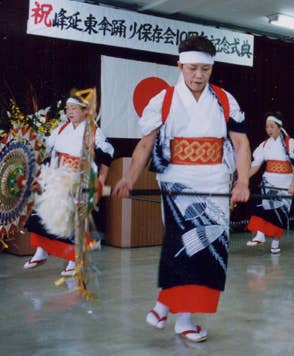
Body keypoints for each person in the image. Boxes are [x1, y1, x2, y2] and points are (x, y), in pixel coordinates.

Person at [113, 35, 250, 343]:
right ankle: (180, 319)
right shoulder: (162, 100)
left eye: (204, 69)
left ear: (212, 68)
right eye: (191, 69)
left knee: (207, 249)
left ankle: (166, 308)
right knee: (185, 243)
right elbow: (145, 144)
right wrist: (130, 178)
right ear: (180, 65)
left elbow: (241, 144)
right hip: (176, 182)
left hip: (215, 181)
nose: (198, 76)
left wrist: (242, 181)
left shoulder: (226, 100)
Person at [24, 96, 113, 277]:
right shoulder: (61, 129)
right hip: (58, 177)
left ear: (84, 111)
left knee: (73, 221)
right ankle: (41, 250)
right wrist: (39, 176)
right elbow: (49, 155)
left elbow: (107, 155)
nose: (69, 112)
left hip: (81, 180)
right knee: (42, 211)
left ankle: (75, 260)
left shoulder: (94, 131)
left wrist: (101, 181)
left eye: (74, 108)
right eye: (67, 108)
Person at [246, 112, 294, 254]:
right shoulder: (265, 145)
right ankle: (259, 235)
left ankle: (276, 243)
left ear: (279, 127)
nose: (269, 130)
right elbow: (256, 165)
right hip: (269, 180)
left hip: (285, 183)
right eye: (267, 127)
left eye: (272, 126)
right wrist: (243, 179)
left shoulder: (291, 143)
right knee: (261, 207)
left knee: (280, 213)